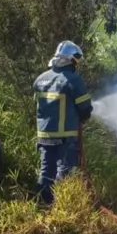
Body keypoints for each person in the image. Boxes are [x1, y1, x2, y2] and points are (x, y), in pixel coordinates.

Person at [33, 41, 93, 205]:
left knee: (46, 171)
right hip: (65, 135)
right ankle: (63, 206)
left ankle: (43, 204)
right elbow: (85, 108)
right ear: (71, 60)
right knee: (65, 171)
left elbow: (38, 105)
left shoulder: (40, 79)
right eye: (76, 60)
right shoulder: (73, 80)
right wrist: (84, 116)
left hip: (44, 135)